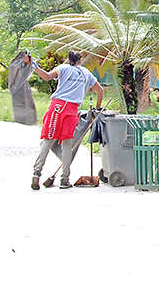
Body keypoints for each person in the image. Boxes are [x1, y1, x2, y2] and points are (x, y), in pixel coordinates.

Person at [30, 50, 104, 190]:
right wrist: (97, 109)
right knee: (67, 145)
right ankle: (65, 179)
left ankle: (36, 173)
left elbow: (46, 77)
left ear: (69, 59)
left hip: (56, 108)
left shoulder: (62, 68)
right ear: (80, 60)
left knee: (47, 140)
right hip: (71, 111)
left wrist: (34, 66)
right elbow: (100, 91)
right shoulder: (86, 73)